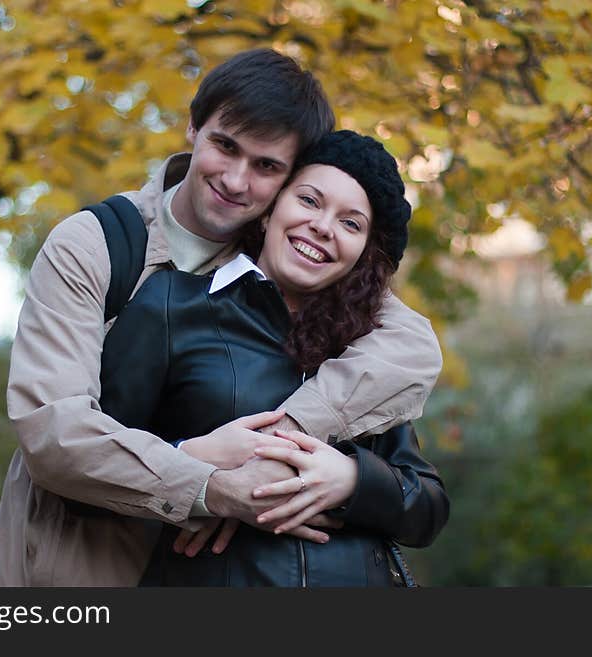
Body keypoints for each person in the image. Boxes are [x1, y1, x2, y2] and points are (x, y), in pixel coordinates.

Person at [0, 49, 442, 587]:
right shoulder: (99, 245)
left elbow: (411, 343)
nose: (237, 182)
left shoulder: (281, 265)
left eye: (266, 166)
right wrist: (205, 479)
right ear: (193, 126)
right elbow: (55, 433)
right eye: (225, 146)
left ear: (289, 179)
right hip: (69, 575)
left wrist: (285, 439)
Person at [96, 130, 449, 586]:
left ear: (362, 254)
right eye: (309, 200)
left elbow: (428, 507)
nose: (323, 226)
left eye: (351, 223)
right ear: (269, 211)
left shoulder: (368, 350)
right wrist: (203, 476)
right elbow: (92, 470)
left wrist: (351, 481)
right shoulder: (171, 306)